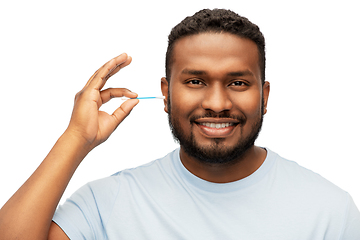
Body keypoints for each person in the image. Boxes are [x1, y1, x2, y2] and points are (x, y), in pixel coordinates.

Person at [0, 8, 359, 239]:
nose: (217, 104)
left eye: (237, 83)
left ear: (264, 96)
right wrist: (76, 138)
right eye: (195, 81)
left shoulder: (329, 211)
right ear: (166, 93)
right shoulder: (109, 203)